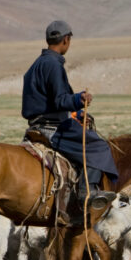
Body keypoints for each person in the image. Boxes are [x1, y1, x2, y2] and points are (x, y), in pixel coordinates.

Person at [22, 20, 117, 214]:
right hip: (52, 128)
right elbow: (59, 100)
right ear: (66, 40)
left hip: (38, 123)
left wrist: (78, 113)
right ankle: (85, 192)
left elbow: (47, 102)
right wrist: (79, 99)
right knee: (99, 147)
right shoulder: (53, 65)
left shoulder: (37, 64)